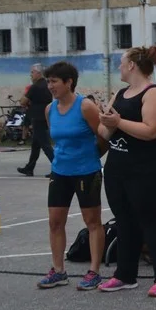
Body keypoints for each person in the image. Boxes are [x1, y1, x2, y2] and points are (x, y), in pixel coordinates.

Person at [96, 46, 156, 297]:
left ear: (132, 65)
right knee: (124, 220)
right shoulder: (121, 93)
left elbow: (152, 130)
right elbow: (103, 132)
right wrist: (107, 121)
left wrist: (118, 121)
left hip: (150, 168)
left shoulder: (154, 93)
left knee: (154, 220)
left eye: (121, 62)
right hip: (119, 167)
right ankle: (125, 275)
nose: (118, 67)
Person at [37, 61, 105, 291]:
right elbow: (57, 138)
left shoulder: (85, 106)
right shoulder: (50, 109)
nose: (50, 86)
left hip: (87, 171)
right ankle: (58, 271)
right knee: (55, 222)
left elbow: (103, 135)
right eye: (48, 81)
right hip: (60, 171)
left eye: (54, 81)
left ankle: (94, 272)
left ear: (69, 82)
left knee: (92, 221)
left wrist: (91, 158)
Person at [18, 64, 55, 176]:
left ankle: (58, 168)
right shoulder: (47, 84)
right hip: (45, 115)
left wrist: (25, 95)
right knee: (35, 144)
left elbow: (23, 101)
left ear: (38, 73)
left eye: (32, 72)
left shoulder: (35, 86)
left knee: (45, 144)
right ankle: (30, 167)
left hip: (38, 117)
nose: (31, 75)